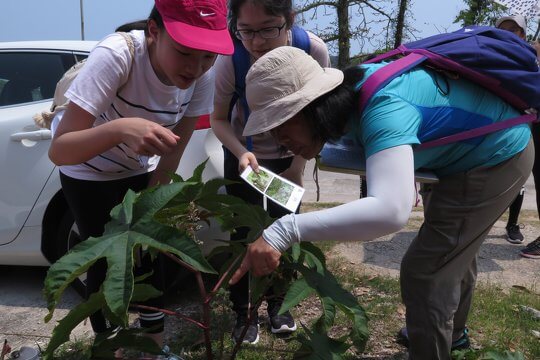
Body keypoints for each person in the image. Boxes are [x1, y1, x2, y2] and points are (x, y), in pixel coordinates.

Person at [228, 46, 533, 359]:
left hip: (496, 153)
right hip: (456, 156)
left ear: (312, 106)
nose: (278, 138)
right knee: (452, 251)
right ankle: (448, 333)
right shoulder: (351, 99)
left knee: (426, 270)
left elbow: (390, 211)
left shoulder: (384, 105)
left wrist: (284, 230)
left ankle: (436, 344)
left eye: (281, 123)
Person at [48, 0, 233, 356]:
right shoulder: (118, 57)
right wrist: (120, 129)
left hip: (139, 167)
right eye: (184, 53)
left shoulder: (203, 75)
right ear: (154, 31)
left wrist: (151, 207)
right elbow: (60, 150)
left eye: (207, 57)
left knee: (150, 256)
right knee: (106, 260)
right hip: (88, 171)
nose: (196, 68)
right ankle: (110, 345)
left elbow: (173, 152)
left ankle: (153, 347)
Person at [209, 0, 330, 344]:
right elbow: (219, 119)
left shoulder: (313, 50)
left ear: (289, 20)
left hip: (289, 157)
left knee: (285, 230)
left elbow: (320, 113)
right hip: (245, 155)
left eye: (267, 29)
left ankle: (279, 304)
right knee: (243, 231)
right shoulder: (231, 59)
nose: (256, 42)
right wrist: (242, 152)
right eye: (245, 30)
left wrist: (297, 166)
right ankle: (243, 312)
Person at [496, 15, 540, 257]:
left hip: (533, 124)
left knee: (526, 178)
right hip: (506, 124)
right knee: (511, 176)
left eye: (514, 30)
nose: (509, 33)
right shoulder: (493, 54)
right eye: (504, 29)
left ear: (523, 34)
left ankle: (512, 225)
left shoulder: (532, 54)